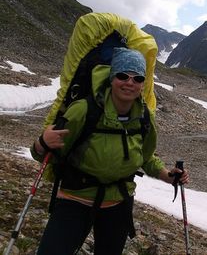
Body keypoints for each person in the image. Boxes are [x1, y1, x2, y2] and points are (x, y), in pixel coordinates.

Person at [31, 47, 189, 255]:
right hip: (75, 199)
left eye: (137, 78)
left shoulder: (144, 117)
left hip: (119, 203)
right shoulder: (84, 110)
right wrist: (42, 142)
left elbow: (146, 156)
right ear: (112, 77)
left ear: (143, 84)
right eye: (123, 75)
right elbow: (45, 154)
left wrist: (167, 176)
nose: (130, 82)